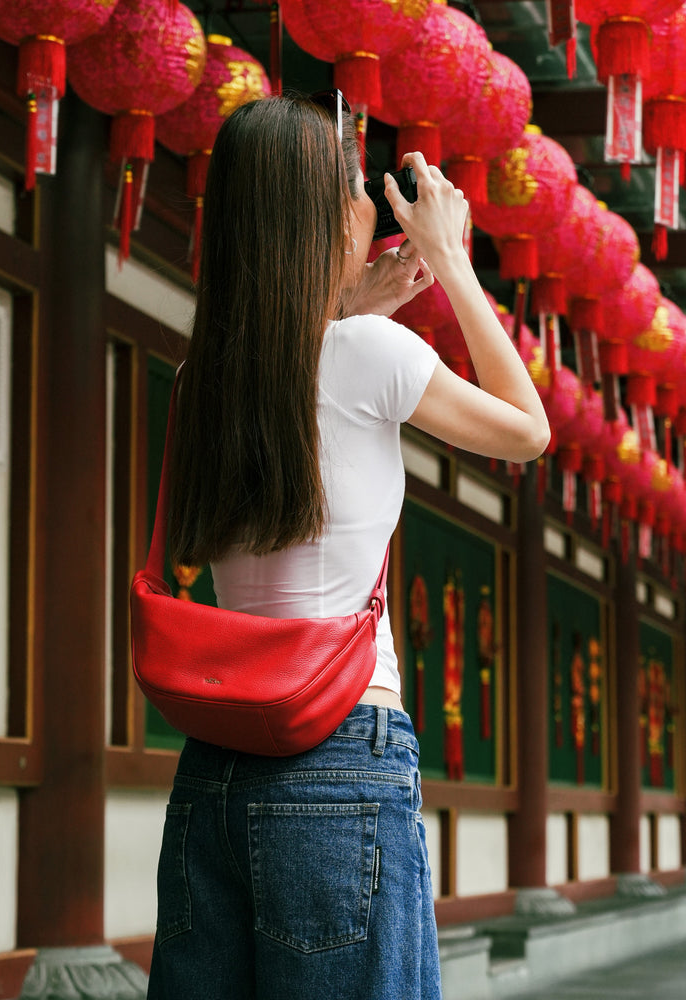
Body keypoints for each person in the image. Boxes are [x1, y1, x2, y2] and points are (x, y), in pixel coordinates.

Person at [147, 92, 549, 1000]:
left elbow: (299, 364)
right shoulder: (372, 354)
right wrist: (450, 260)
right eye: (355, 186)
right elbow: (529, 430)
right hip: (338, 745)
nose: (371, 201)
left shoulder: (200, 376)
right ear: (327, 215)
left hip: (214, 761)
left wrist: (356, 302)